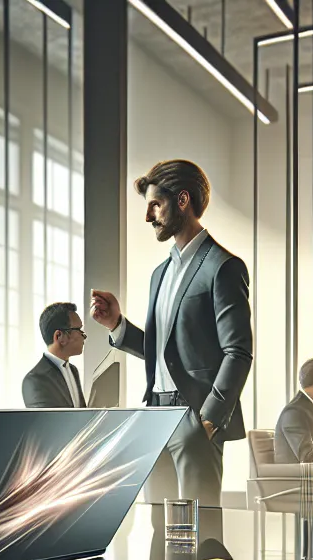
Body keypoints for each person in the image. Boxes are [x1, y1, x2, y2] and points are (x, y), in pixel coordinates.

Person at [89, 159, 252, 506]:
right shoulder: (159, 274)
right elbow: (163, 350)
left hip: (193, 418)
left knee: (199, 531)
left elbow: (238, 352)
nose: (149, 217)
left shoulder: (223, 267)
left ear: (182, 201)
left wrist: (208, 420)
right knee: (158, 531)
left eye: (155, 205)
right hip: (154, 416)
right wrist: (117, 324)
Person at [22, 302, 88, 409]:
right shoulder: (35, 380)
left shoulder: (73, 370)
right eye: (78, 330)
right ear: (59, 336)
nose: (84, 335)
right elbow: (48, 423)